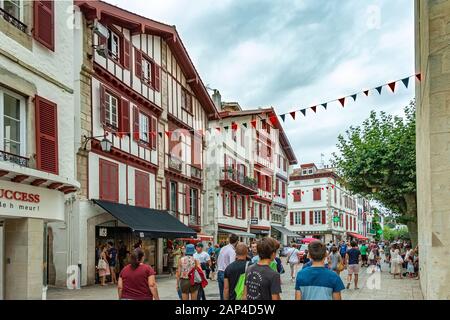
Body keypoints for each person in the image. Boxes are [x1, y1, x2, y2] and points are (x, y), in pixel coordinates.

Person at [217, 234, 238, 300]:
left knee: (222, 295)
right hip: (226, 273)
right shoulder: (232, 251)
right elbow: (232, 265)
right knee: (227, 295)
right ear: (237, 241)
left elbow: (218, 260)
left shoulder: (223, 248)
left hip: (220, 271)